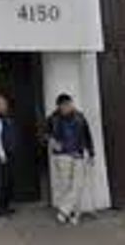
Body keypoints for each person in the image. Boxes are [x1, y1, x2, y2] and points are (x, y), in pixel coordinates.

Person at [45, 93, 94, 226]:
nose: (68, 107)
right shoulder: (52, 118)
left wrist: (91, 154)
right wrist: (52, 141)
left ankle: (64, 211)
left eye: (69, 104)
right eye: (65, 105)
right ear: (59, 106)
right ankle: (73, 213)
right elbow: (45, 134)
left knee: (78, 185)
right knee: (66, 186)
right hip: (62, 155)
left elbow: (87, 136)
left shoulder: (80, 117)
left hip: (78, 154)